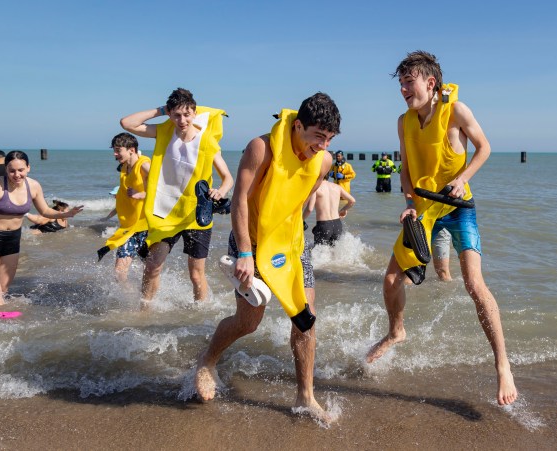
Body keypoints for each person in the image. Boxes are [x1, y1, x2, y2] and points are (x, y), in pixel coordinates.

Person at [366, 51, 518, 406]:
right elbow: (405, 169)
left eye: (409, 82)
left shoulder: (457, 111)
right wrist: (407, 203)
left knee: (474, 285)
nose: (403, 89)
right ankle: (396, 332)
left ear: (430, 82)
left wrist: (463, 179)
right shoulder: (403, 122)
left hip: (458, 208)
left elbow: (484, 148)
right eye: (401, 83)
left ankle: (503, 365)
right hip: (422, 211)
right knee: (390, 281)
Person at [194, 93, 341, 422]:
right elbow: (240, 201)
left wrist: (295, 241)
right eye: (319, 136)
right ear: (299, 125)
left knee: (306, 316)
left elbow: (303, 200)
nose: (323, 145)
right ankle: (206, 360)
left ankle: (305, 396)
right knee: (249, 322)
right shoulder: (261, 148)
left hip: (291, 243)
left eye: (330, 139)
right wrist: (245, 252)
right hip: (252, 240)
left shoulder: (325, 161)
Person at [120, 88, 233, 303]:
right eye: (177, 115)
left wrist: (221, 191)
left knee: (196, 274)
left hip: (195, 215)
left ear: (194, 113)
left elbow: (228, 177)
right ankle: (144, 311)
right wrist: (162, 110)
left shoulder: (207, 140)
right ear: (171, 115)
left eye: (187, 114)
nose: (182, 120)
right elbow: (127, 123)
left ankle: (200, 315)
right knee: (153, 266)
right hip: (166, 212)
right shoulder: (163, 132)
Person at [0, 151, 83, 306]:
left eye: (21, 170)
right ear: (6, 169)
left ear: (28, 168)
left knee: (2, 291)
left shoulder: (34, 186)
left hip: (12, 241)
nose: (16, 174)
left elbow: (44, 211)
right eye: (12, 171)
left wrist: (67, 214)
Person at [99, 133, 151, 283]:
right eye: (114, 150)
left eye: (118, 150)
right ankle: (129, 301)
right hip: (129, 227)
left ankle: (146, 302)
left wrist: (142, 194)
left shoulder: (144, 165)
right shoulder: (125, 167)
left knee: (149, 269)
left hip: (145, 226)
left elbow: (164, 185)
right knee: (119, 271)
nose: (115, 154)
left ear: (131, 150)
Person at [304, 176, 356, 246]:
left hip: (323, 225)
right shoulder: (337, 187)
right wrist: (343, 210)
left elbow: (309, 209)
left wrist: (301, 220)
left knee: (319, 253)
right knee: (333, 252)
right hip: (337, 224)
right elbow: (352, 201)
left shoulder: (316, 188)